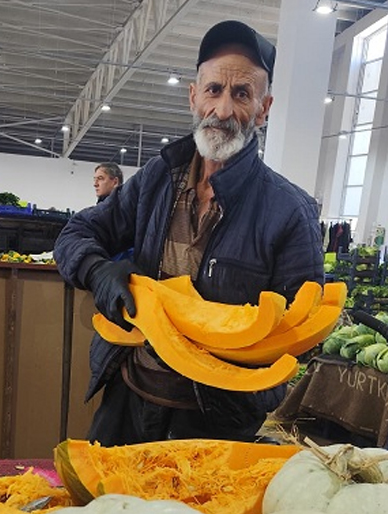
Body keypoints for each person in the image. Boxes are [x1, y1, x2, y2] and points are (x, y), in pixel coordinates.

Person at [54, 20, 323, 446]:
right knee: (103, 507)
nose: (223, 110)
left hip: (215, 422)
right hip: (129, 395)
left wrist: (235, 351)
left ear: (264, 108)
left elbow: (302, 335)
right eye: (214, 89)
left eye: (242, 94)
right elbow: (77, 232)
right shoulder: (159, 177)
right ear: (193, 96)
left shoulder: (290, 212)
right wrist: (97, 271)